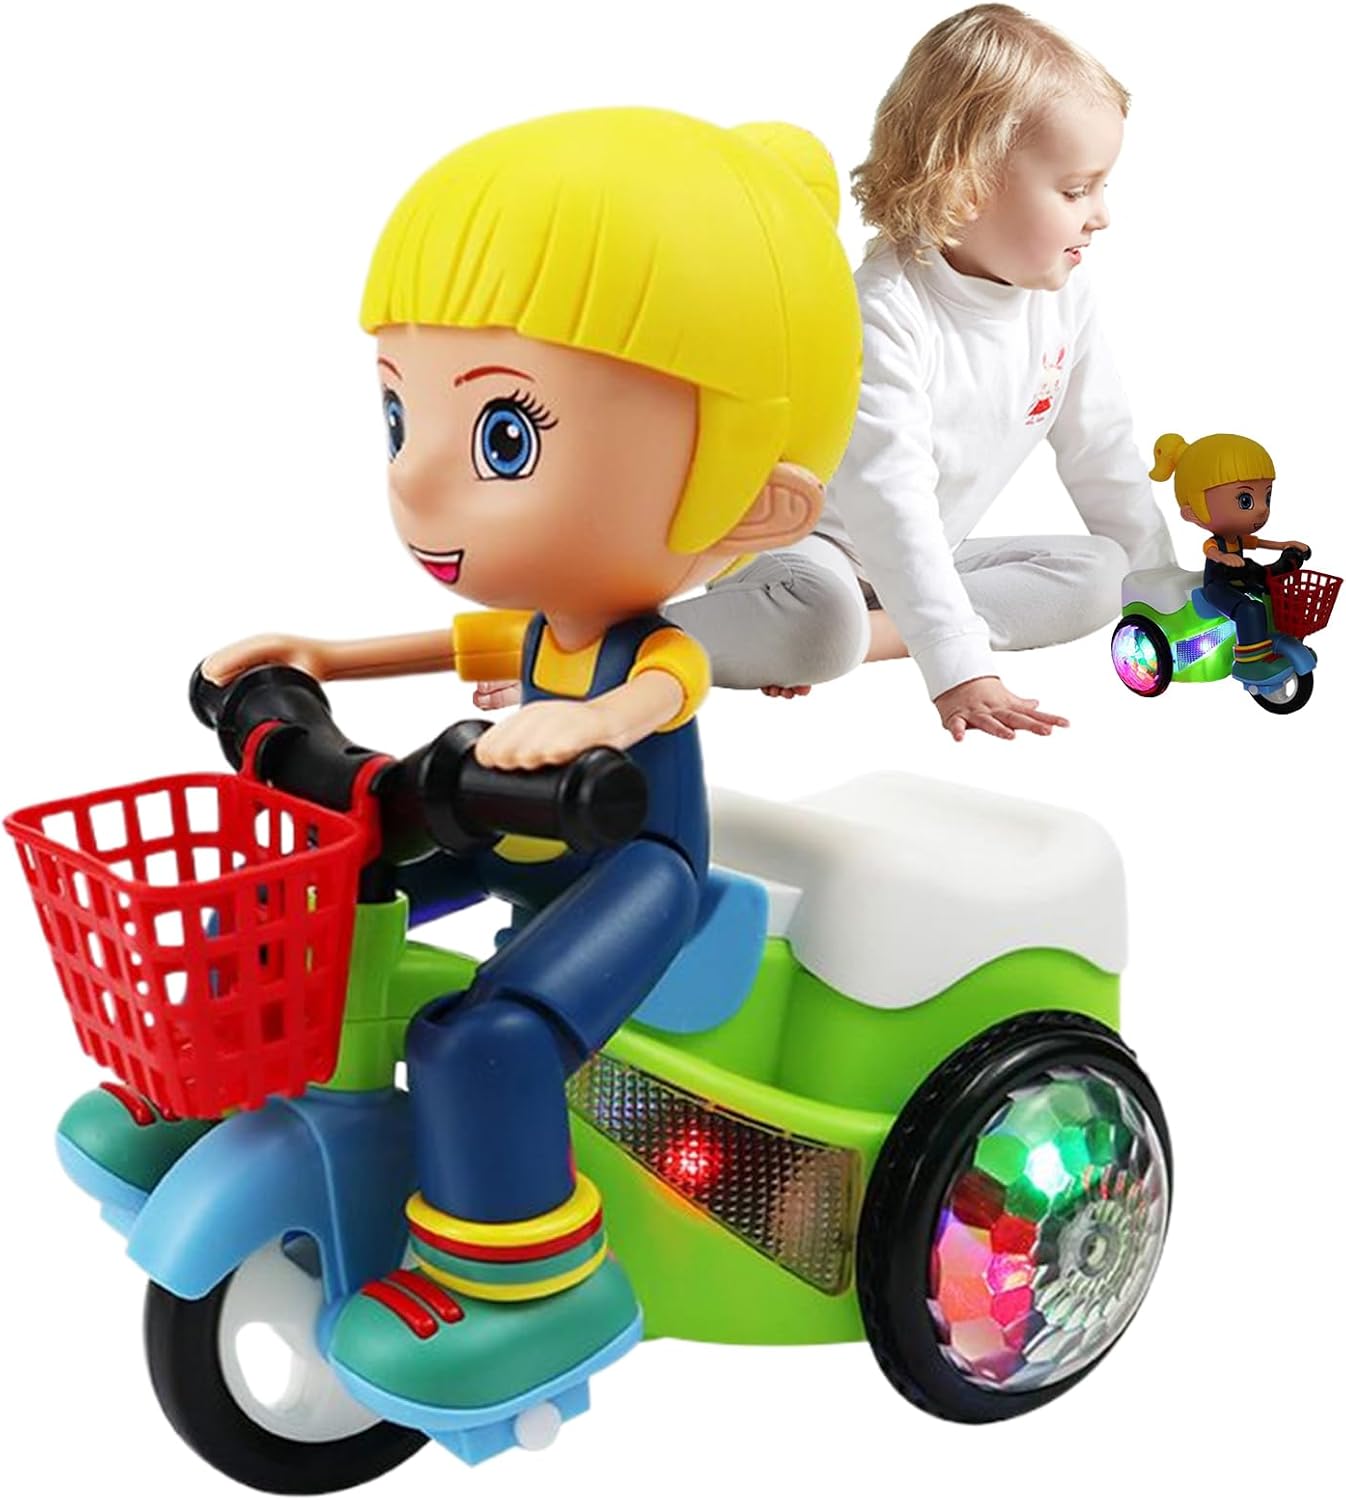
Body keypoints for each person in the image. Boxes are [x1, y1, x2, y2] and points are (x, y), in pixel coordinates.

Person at [56, 107, 860, 1419]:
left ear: (752, 501)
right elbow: (437, 643)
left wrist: (586, 728)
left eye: (503, 438)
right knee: (291, 907)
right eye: (397, 414)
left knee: (485, 1037)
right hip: (509, 826)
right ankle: (212, 1099)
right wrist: (317, 654)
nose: (417, 482)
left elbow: (654, 697)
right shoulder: (534, 625)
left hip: (634, 870)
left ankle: (530, 1290)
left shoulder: (649, 651)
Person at [663, 4, 1176, 743]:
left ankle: (863, 639)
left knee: (1105, 574)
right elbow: (890, 502)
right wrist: (958, 669)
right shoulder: (884, 312)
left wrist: (1163, 594)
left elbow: (1103, 448)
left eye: (1100, 188)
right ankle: (636, 643)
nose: (1101, 215)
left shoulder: (1065, 298)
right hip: (806, 549)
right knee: (819, 616)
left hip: (915, 560)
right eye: (1075, 190)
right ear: (967, 190)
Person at [1149, 431, 1308, 682]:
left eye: (1266, 497)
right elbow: (1211, 551)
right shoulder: (1218, 543)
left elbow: (1259, 542)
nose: (1262, 509)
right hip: (1217, 586)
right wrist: (1225, 559)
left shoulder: (1239, 538)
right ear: (1192, 511)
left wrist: (1284, 545)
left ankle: (1274, 641)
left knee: (1274, 593)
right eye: (1245, 500)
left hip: (1239, 580)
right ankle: (1250, 663)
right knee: (1249, 609)